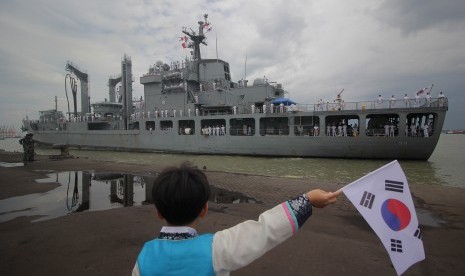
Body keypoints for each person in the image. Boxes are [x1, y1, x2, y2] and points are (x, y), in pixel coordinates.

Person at [132, 164, 341, 276]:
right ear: (204, 209)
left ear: (158, 211)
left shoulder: (144, 257)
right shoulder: (216, 248)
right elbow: (264, 231)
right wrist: (307, 200)